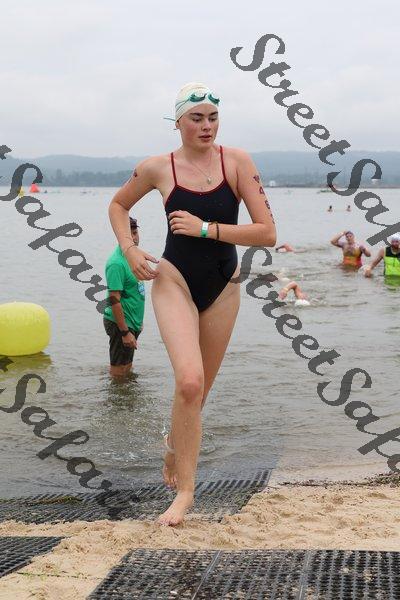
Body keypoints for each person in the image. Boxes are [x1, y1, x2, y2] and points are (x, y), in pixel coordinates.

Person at [108, 82, 276, 526]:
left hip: (223, 286)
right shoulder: (157, 167)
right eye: (196, 118)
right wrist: (128, 249)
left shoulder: (237, 162)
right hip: (174, 280)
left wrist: (206, 229)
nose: (206, 126)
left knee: (198, 395)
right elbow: (118, 205)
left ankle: (173, 447)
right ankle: (185, 493)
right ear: (178, 122)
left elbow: (266, 233)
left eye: (213, 117)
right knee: (188, 382)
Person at [103, 217, 145, 378]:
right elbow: (114, 300)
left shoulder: (134, 257)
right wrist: (125, 332)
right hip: (120, 324)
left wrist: (138, 322)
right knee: (119, 372)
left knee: (127, 367)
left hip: (132, 322)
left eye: (135, 232)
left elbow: (135, 291)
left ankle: (125, 392)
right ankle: (116, 392)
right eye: (129, 235)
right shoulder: (116, 263)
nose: (134, 238)